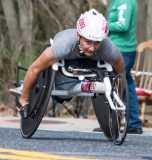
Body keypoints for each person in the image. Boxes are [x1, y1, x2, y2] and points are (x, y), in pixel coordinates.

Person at [9, 8, 125, 119]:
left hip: (89, 67)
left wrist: (117, 98)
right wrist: (24, 99)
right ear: (78, 36)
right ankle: (24, 86)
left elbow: (121, 74)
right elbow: (34, 69)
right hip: (64, 66)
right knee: (60, 96)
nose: (92, 48)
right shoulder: (63, 45)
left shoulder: (108, 48)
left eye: (97, 43)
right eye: (88, 42)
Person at [107, 0, 142, 134]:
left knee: (114, 84)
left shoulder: (125, 1)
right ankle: (133, 123)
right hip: (121, 48)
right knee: (127, 84)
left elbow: (123, 25)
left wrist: (104, 25)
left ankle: (112, 123)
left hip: (121, 50)